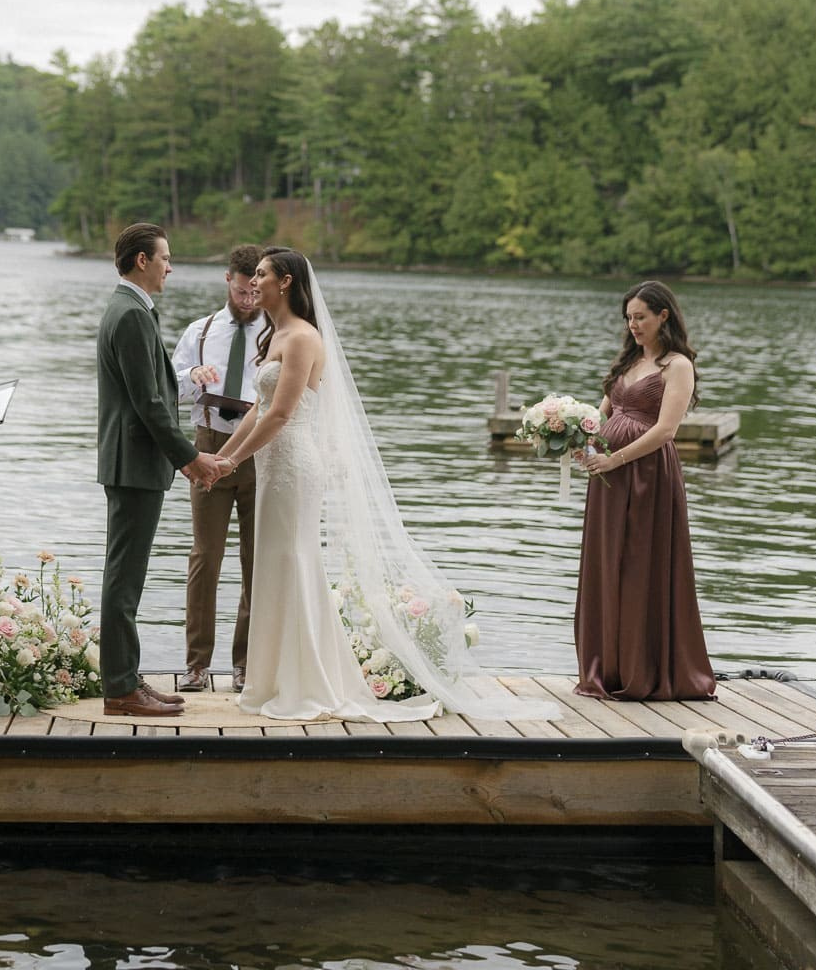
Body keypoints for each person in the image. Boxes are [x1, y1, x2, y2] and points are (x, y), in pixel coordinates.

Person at [212, 246, 556, 723]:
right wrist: (220, 457)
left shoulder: (304, 338)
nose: (254, 282)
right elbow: (255, 409)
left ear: (286, 281)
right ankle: (270, 680)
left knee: (294, 563)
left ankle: (306, 683)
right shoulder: (275, 335)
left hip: (293, 467)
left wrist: (230, 467)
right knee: (273, 565)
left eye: (263, 274)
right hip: (272, 468)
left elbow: (281, 413)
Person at [96, 222, 225, 718]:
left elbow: (157, 390)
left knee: (127, 578)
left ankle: (126, 678)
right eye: (165, 257)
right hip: (134, 463)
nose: (171, 267)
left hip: (135, 462)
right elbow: (148, 403)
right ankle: (121, 690)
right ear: (141, 261)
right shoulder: (129, 314)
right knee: (123, 580)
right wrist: (191, 459)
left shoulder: (133, 310)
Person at [574, 280, 715, 701]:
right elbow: (600, 417)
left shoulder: (677, 366)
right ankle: (608, 666)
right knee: (606, 563)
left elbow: (666, 430)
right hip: (608, 480)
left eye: (640, 317)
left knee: (640, 566)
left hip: (648, 477)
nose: (633, 325)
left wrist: (615, 458)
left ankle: (644, 667)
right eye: (628, 318)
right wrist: (580, 443)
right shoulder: (626, 362)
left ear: (663, 316)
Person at [172, 244, 265, 691]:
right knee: (205, 557)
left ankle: (245, 663)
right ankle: (196, 665)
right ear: (227, 280)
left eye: (255, 292)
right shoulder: (201, 331)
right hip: (208, 446)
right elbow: (169, 388)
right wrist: (192, 379)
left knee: (256, 561)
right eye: (243, 290)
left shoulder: (277, 333)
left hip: (262, 452)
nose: (249, 300)